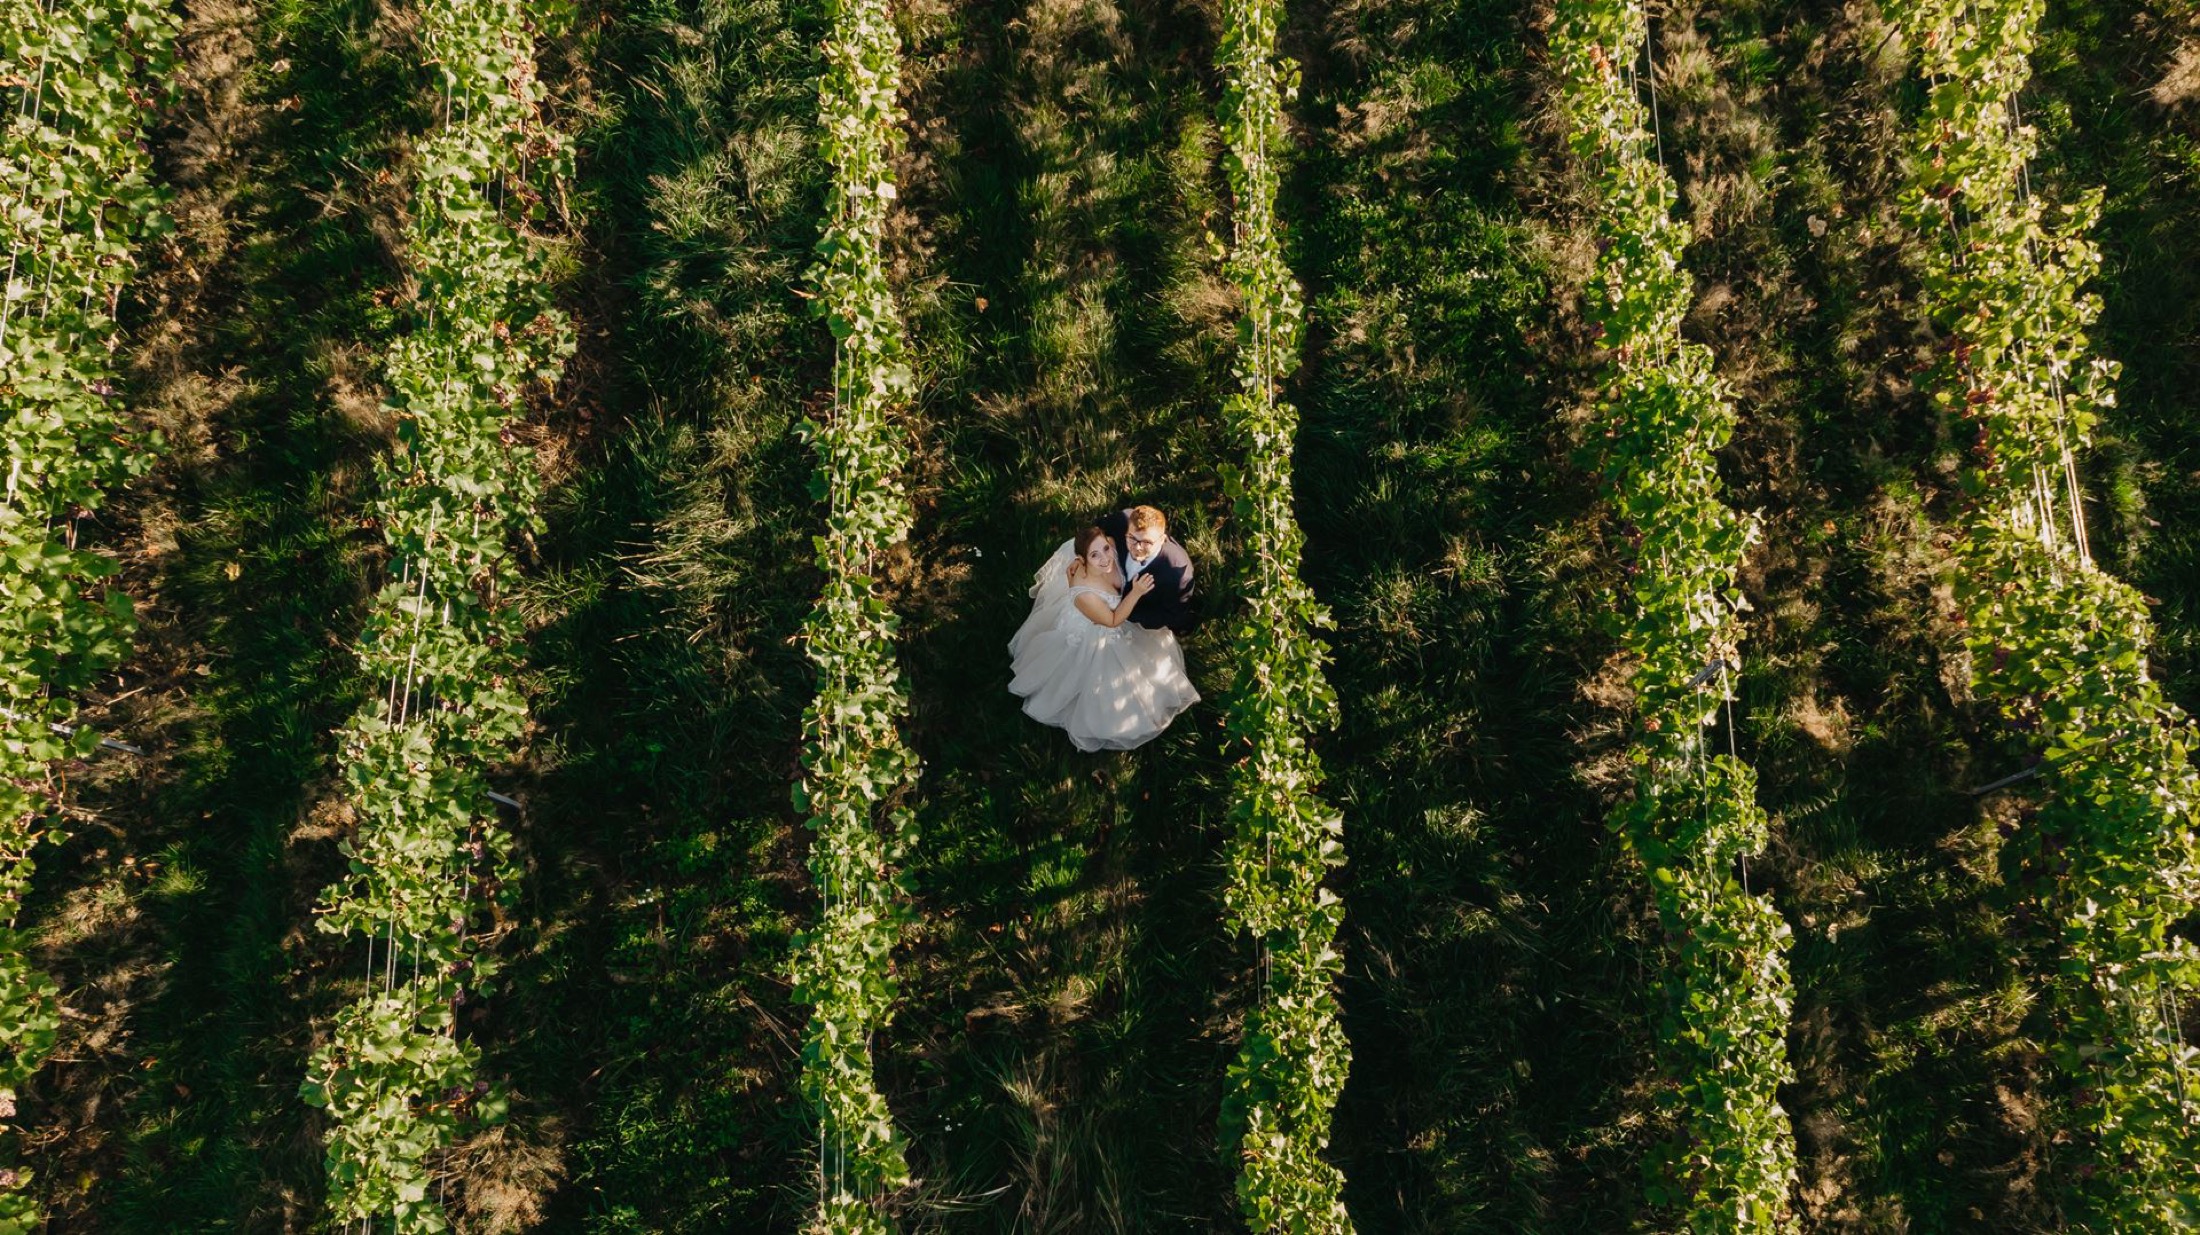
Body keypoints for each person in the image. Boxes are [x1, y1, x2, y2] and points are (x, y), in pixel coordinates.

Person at [1008, 524, 1200, 752]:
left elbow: (1100, 542)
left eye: (1106, 549)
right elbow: (1112, 620)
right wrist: (1136, 592)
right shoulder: (1084, 595)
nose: (1104, 558)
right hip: (1098, 633)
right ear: (1082, 559)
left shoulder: (1103, 552)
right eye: (1094, 555)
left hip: (1108, 618)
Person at [1094, 504, 1196, 634]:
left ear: (1161, 540)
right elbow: (1097, 528)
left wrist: (1122, 612)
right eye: (1132, 538)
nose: (1137, 548)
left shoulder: (1176, 576)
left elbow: (1171, 614)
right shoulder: (1122, 520)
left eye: (1147, 542)